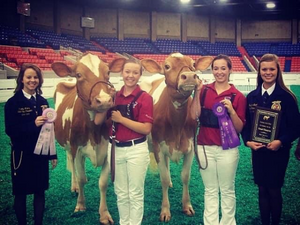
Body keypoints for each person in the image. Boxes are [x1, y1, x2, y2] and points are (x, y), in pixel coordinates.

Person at [241, 53, 300, 225]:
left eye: (271, 69)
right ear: (259, 72)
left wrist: (280, 141)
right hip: (259, 151)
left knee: (274, 190)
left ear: (277, 71)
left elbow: (296, 127)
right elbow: (246, 125)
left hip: (278, 152)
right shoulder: (251, 96)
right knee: (262, 189)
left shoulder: (287, 97)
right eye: (264, 69)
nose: (268, 72)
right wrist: (247, 141)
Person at [95, 59, 153, 225]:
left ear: (140, 75)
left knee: (135, 193)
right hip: (116, 149)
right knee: (120, 192)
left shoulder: (145, 98)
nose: (130, 76)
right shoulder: (114, 96)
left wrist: (121, 119)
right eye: (127, 72)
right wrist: (104, 104)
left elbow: (146, 129)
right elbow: (98, 121)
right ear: (122, 73)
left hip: (136, 149)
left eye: (135, 72)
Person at [191, 54, 246, 225]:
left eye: (223, 68)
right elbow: (194, 115)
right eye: (216, 68)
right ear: (212, 70)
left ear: (230, 70)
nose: (219, 72)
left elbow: (239, 128)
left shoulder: (238, 96)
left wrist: (231, 111)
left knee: (227, 190)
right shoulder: (204, 90)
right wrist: (197, 91)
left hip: (227, 151)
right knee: (210, 190)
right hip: (204, 147)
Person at [4, 63, 57, 225]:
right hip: (21, 155)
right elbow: (10, 131)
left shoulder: (42, 102)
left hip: (40, 156)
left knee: (39, 192)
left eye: (35, 77)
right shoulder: (12, 103)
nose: (32, 80)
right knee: (20, 194)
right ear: (21, 79)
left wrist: (52, 154)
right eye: (29, 77)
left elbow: (49, 132)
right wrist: (32, 124)